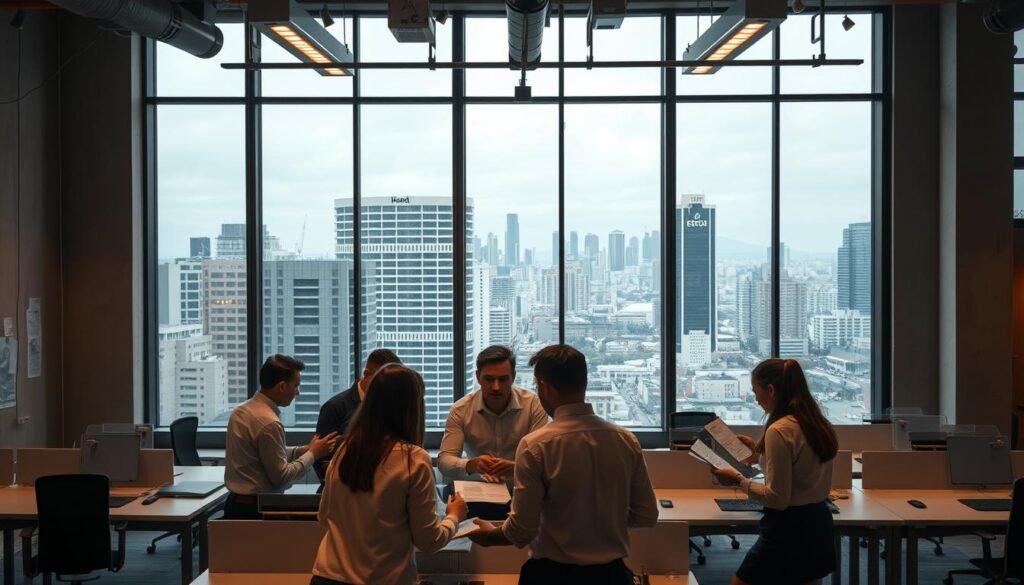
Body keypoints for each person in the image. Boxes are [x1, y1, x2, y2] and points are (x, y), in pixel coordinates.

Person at [469, 344, 659, 585]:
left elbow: (523, 529)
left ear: (544, 387)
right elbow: (647, 515)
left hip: (551, 576)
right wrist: (599, 519)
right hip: (612, 576)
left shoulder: (536, 446)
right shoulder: (625, 440)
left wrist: (490, 536)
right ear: (584, 383)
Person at [311, 364, 469, 585]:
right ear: (412, 408)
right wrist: (454, 516)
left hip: (328, 577)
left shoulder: (344, 451)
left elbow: (324, 516)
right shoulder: (413, 459)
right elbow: (428, 541)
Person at [710, 358, 839, 585]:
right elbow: (800, 470)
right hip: (818, 525)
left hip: (789, 531)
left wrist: (737, 480)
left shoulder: (779, 430)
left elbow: (777, 499)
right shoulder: (817, 423)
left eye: (756, 391)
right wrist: (759, 452)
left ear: (770, 390)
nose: (756, 399)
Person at [223, 354, 338, 520]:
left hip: (236, 506)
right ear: (282, 386)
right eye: (296, 386)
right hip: (256, 511)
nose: (298, 392)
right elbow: (281, 477)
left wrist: (305, 450)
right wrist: (313, 455)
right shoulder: (269, 423)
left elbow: (265, 454)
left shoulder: (242, 411)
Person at [438, 345, 548, 483]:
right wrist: (470, 465)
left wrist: (516, 468)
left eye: (503, 379)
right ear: (478, 377)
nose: (496, 387)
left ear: (513, 377)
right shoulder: (461, 409)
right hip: (478, 491)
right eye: (489, 379)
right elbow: (444, 461)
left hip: (520, 489)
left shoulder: (533, 405)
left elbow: (542, 461)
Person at [314, 348, 401, 480]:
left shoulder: (390, 406)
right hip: (344, 489)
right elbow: (320, 462)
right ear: (366, 374)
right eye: (382, 382)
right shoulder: (335, 407)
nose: (387, 388)